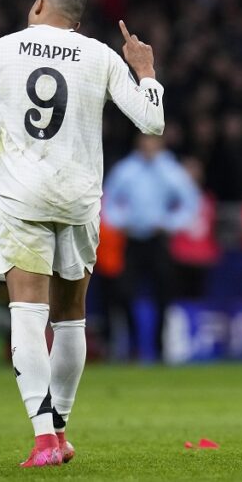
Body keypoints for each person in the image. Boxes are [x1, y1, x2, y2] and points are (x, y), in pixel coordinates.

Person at [0, 0, 164, 468]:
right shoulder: (101, 56)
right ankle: (60, 431)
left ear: (40, 4)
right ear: (78, 22)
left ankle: (44, 439)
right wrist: (146, 71)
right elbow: (152, 123)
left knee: (26, 314)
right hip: (79, 201)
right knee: (71, 320)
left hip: (22, 198)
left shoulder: (1, 50)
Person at [102, 134, 201, 360]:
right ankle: (134, 346)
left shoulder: (170, 171)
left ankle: (159, 348)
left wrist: (169, 223)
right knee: (124, 293)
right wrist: (119, 222)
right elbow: (108, 201)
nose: (148, 145)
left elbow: (190, 203)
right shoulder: (126, 169)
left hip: (158, 240)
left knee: (163, 294)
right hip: (132, 239)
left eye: (152, 141)